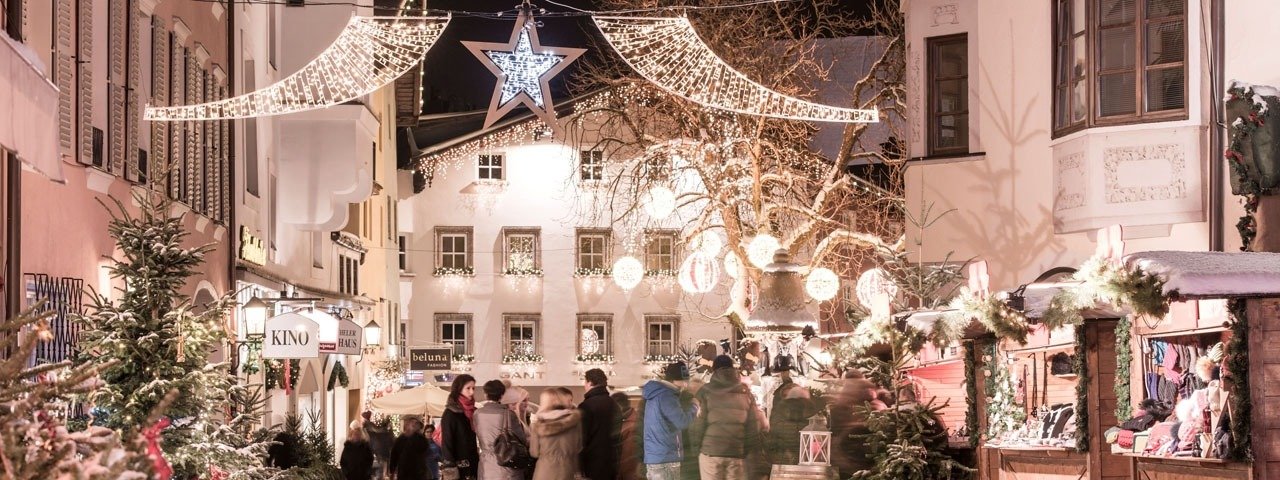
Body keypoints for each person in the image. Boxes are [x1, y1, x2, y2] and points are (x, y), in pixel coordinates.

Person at [695, 355, 760, 480]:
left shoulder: (706, 390)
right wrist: (747, 450)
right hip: (736, 450)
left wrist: (696, 447)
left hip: (711, 450)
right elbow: (753, 425)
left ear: (714, 370)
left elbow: (698, 422)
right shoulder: (745, 392)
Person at [641, 362, 699, 480]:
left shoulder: (655, 394)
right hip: (667, 457)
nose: (685, 384)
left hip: (655, 456)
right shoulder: (667, 396)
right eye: (683, 380)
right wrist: (695, 407)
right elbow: (682, 422)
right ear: (675, 380)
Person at [474, 380, 527, 480]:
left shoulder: (477, 413)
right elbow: (521, 439)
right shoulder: (508, 414)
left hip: (486, 464)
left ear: (485, 394)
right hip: (506, 462)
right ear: (502, 394)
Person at [829, 374, 877, 479]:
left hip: (847, 457)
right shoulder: (872, 407)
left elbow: (834, 433)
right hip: (862, 457)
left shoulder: (838, 407)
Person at [529, 387, 583, 480]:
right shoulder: (574, 420)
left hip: (544, 471)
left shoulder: (539, 423)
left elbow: (534, 452)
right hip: (567, 470)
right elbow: (578, 447)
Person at [579, 368, 619, 480]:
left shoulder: (586, 406)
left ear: (590, 382)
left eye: (585, 381)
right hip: (612, 459)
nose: (584, 385)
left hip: (592, 461)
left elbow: (582, 438)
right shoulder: (613, 403)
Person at [767, 381, 815, 466]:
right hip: (783, 457)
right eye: (786, 396)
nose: (791, 399)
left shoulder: (809, 412)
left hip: (804, 457)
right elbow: (775, 430)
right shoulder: (778, 411)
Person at [442, 374, 480, 480]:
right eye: (468, 388)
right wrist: (450, 467)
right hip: (458, 465)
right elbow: (447, 441)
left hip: (473, 461)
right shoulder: (451, 413)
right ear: (458, 389)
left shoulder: (473, 411)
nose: (472, 392)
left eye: (473, 388)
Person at [613, 392, 641, 480]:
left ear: (619, 407)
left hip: (629, 474)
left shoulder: (632, 426)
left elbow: (628, 459)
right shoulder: (624, 420)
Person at [363, 411, 395, 479]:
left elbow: (377, 430)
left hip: (375, 444)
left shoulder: (367, 424)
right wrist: (385, 428)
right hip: (376, 444)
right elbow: (377, 430)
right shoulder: (368, 424)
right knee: (381, 462)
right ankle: (382, 475)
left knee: (382, 461)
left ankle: (383, 474)